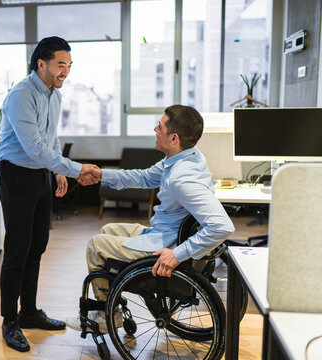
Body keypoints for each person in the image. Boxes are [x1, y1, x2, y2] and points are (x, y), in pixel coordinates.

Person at [67, 104, 235, 333]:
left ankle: (108, 315)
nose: (155, 129)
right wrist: (101, 175)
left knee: (95, 245)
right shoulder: (186, 157)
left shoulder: (181, 178)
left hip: (165, 244)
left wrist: (177, 255)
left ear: (174, 137)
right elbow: (145, 177)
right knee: (107, 229)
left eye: (160, 126)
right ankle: (111, 301)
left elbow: (222, 226)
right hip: (162, 233)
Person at [0, 36, 101, 352]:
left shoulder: (54, 95)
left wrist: (57, 171)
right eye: (60, 65)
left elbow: (50, 138)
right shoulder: (20, 95)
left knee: (37, 245)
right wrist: (73, 168)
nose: (65, 71)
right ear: (41, 64)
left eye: (68, 66)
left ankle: (28, 312)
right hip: (15, 174)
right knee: (17, 249)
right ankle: (9, 321)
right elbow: (33, 147)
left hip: (39, 173)